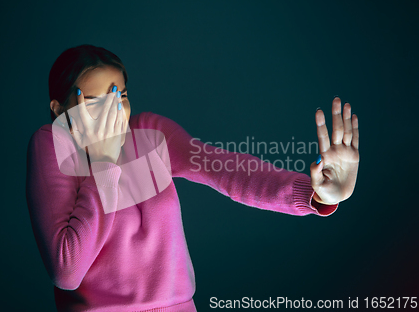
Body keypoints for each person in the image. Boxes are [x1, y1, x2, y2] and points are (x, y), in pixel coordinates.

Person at [25, 44, 360, 312]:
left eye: (121, 96)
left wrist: (317, 195)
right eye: (95, 102)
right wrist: (105, 163)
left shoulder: (149, 132)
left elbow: (225, 168)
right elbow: (66, 271)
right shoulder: (52, 145)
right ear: (59, 110)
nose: (114, 114)